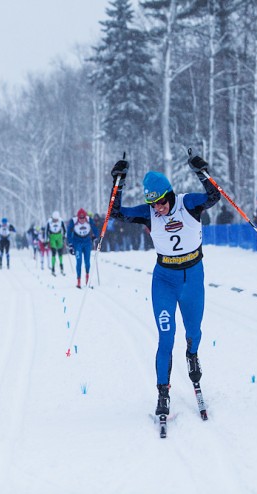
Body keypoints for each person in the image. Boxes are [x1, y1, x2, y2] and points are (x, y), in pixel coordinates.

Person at [109, 154, 220, 418]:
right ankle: (163, 392)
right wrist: (118, 182)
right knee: (165, 338)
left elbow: (214, 197)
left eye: (160, 202)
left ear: (169, 195)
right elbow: (116, 212)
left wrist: (202, 172)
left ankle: (192, 355)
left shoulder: (187, 203)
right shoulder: (149, 213)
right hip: (165, 281)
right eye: (152, 204)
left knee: (193, 332)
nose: (157, 209)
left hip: (193, 278)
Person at [67, 208, 99, 288]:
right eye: (80, 218)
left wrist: (95, 236)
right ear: (77, 217)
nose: (81, 220)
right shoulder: (73, 221)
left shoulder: (89, 220)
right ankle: (78, 281)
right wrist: (70, 245)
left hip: (87, 242)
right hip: (77, 242)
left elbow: (95, 229)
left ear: (85, 216)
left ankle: (87, 279)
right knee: (79, 262)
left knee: (87, 262)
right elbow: (68, 233)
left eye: (83, 217)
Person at [46, 211, 67, 276]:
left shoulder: (61, 221)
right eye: (54, 220)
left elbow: (65, 230)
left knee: (60, 253)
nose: (55, 221)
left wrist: (64, 237)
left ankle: (61, 268)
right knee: (54, 252)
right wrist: (47, 240)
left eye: (56, 220)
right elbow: (46, 231)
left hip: (59, 236)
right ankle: (53, 268)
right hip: (52, 237)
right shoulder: (49, 222)